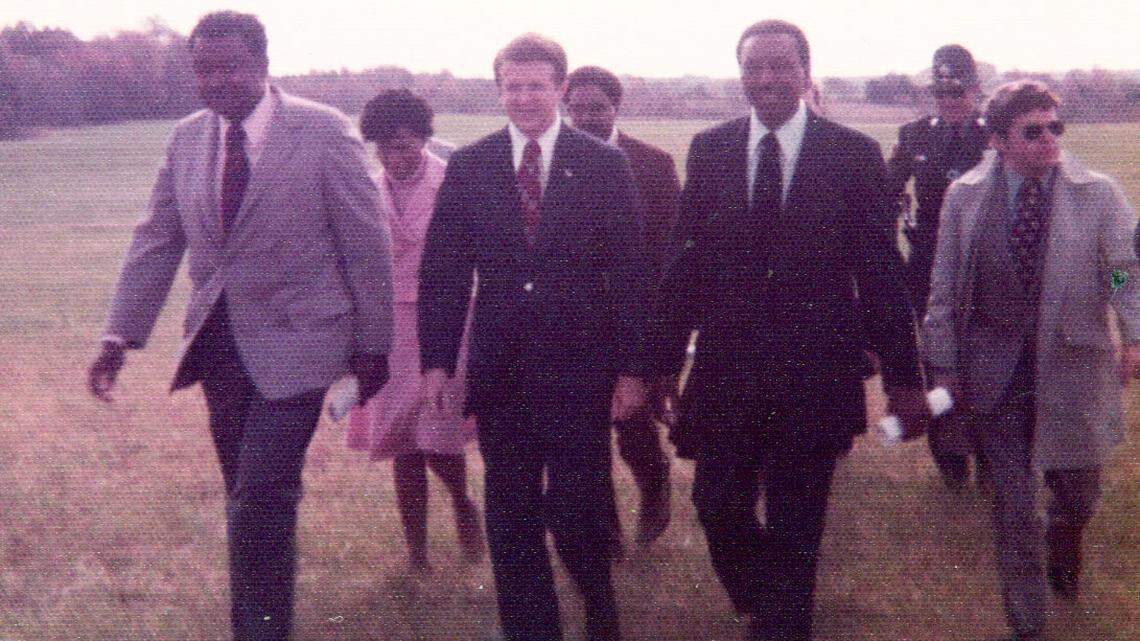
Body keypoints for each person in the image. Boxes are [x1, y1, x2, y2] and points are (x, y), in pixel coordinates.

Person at [84, 12, 393, 641]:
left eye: (229, 66)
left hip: (305, 346)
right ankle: (258, 619)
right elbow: (158, 237)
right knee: (251, 499)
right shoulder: (188, 137)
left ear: (263, 64)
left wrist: (373, 347)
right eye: (203, 69)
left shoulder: (323, 131)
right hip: (220, 349)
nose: (215, 81)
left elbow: (366, 246)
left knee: (257, 497)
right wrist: (118, 335)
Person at [648, 20, 928, 641]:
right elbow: (684, 262)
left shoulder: (852, 153)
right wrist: (662, 359)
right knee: (716, 503)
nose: (769, 79)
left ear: (806, 72)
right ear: (741, 74)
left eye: (782, 66)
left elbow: (881, 277)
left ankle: (781, 624)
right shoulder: (711, 148)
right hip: (727, 370)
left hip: (816, 371)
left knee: (799, 519)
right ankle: (765, 601)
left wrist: (907, 382)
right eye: (756, 68)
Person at [417, 33, 648, 641]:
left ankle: (600, 613)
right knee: (511, 510)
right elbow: (442, 270)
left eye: (536, 86)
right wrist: (438, 364)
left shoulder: (603, 164)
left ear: (561, 90)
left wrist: (632, 369)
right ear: (498, 91)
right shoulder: (471, 165)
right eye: (511, 86)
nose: (523, 97)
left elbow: (630, 272)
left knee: (578, 508)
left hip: (580, 369)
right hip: (501, 370)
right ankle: (530, 629)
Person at [923, 80, 1140, 641]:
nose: (1049, 140)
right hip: (994, 377)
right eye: (1032, 131)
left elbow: (1122, 268)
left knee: (1079, 495)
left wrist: (1133, 329)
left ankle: (1066, 535)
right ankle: (1028, 625)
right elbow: (944, 285)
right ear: (996, 140)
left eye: (1055, 128)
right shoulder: (964, 197)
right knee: (1013, 511)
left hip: (1074, 368)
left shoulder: (1100, 194)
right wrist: (943, 364)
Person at [347, 89, 483, 573]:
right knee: (399, 439)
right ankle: (417, 553)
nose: (394, 157)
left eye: (403, 145)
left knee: (436, 433)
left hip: (446, 322)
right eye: (383, 147)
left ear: (425, 138)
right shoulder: (364, 190)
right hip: (387, 327)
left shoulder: (455, 184)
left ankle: (464, 504)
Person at [564, 65, 680, 551]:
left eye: (599, 109)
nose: (587, 118)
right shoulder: (551, 160)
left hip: (636, 315)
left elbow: (675, 250)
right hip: (573, 320)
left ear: (617, 109)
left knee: (632, 422)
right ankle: (604, 532)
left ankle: (654, 483)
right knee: (584, 431)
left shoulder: (652, 163)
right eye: (578, 109)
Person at [887, 44, 989, 488]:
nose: (949, 100)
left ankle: (991, 450)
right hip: (928, 265)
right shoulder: (914, 136)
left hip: (984, 266)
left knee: (988, 358)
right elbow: (886, 192)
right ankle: (949, 451)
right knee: (936, 359)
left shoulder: (996, 134)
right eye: (941, 92)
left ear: (976, 90)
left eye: (958, 91)